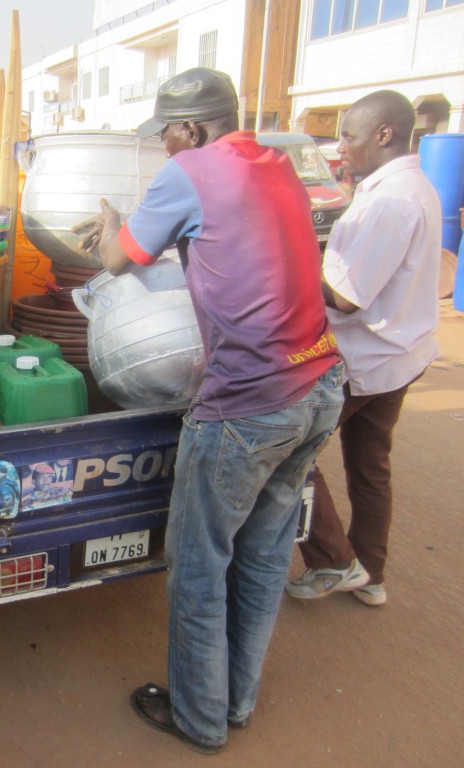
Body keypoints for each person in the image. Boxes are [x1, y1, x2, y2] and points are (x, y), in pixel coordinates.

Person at [74, 67, 344, 754]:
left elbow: (116, 259)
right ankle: (237, 702)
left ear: (191, 129)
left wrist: (112, 222)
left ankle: (198, 717)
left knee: (198, 567)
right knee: (260, 559)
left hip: (247, 408)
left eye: (166, 131)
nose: (165, 144)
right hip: (317, 387)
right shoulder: (277, 161)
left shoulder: (187, 170)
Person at [285, 90, 441, 607]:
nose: (341, 147)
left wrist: (287, 266)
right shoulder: (409, 187)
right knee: (370, 467)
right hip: (399, 354)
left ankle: (334, 562)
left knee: (290, 450)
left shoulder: (392, 200)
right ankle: (370, 574)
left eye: (348, 137)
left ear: (383, 134)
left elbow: (347, 298)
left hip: (363, 357)